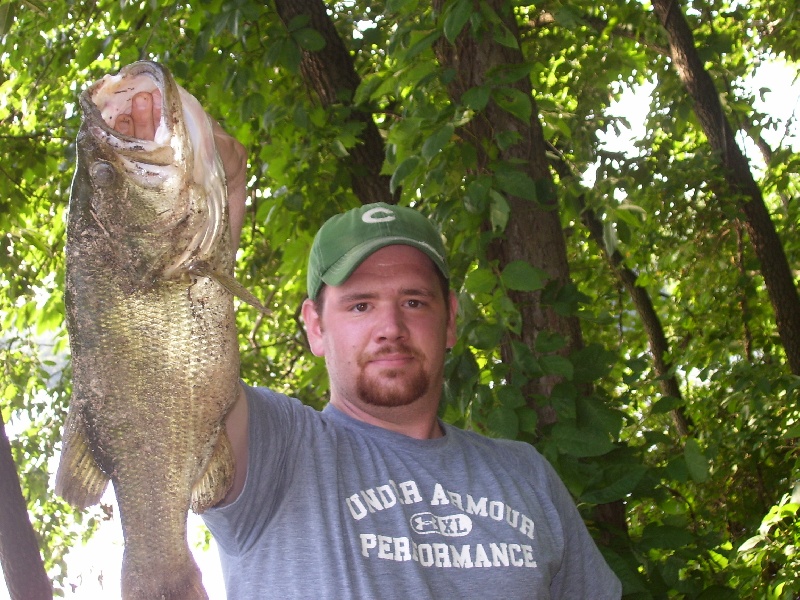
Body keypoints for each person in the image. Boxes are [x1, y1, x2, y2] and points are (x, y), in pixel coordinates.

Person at [116, 92, 622, 599]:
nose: (390, 327)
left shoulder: (525, 474)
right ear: (315, 327)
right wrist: (207, 207)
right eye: (360, 305)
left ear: (450, 323)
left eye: (415, 302)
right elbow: (166, 378)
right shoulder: (279, 451)